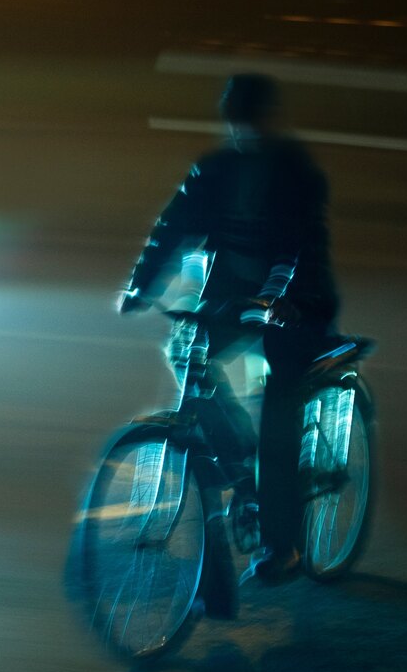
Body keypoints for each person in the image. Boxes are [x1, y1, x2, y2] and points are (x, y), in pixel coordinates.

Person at [116, 72, 340, 581]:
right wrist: (140, 287)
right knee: (186, 352)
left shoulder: (296, 173)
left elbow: (301, 245)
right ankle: (241, 457)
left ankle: (283, 547)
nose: (243, 131)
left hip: (296, 305)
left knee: (279, 417)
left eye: (250, 121)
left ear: (268, 120)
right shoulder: (214, 169)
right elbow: (173, 226)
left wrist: (281, 297)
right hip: (233, 298)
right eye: (236, 122)